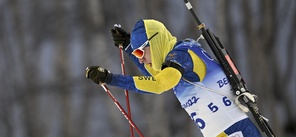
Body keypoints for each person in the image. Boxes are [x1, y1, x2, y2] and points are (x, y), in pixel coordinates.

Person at [85, 19, 261, 137]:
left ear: (155, 42)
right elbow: (156, 76)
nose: (139, 58)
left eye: (141, 51)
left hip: (234, 129)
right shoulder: (178, 54)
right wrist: (130, 47)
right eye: (136, 53)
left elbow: (160, 84)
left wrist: (111, 79)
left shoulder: (181, 56)